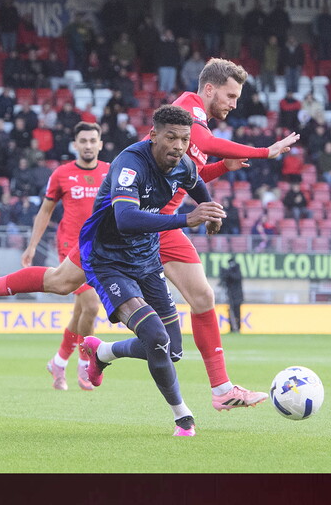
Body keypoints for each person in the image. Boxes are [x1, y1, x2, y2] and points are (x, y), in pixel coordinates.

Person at [0, 58, 300, 413]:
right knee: (60, 282)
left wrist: (218, 175)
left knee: (203, 298)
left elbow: (189, 176)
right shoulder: (186, 112)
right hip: (135, 223)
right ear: (209, 89)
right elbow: (206, 143)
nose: (234, 104)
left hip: (161, 227)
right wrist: (263, 151)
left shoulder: (197, 127)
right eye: (231, 95)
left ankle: (219, 388)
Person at [75, 104, 227, 436]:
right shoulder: (130, 164)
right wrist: (188, 218)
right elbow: (125, 220)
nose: (178, 146)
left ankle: (102, 352)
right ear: (154, 135)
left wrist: (210, 210)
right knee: (155, 337)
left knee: (171, 350)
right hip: (107, 259)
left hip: (146, 258)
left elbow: (196, 183)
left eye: (184, 139)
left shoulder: (182, 163)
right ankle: (183, 417)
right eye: (171, 137)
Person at [17, 122, 111, 391]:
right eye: (83, 140)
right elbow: (45, 211)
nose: (88, 145)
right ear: (75, 144)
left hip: (101, 248)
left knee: (82, 309)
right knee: (91, 305)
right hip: (71, 246)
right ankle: (85, 364)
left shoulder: (110, 171)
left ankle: (58, 362)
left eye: (93, 140)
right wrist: (32, 245)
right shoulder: (61, 174)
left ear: (101, 144)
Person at [219, 257, 244, 333]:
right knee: (231, 312)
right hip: (230, 296)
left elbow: (236, 277)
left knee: (236, 312)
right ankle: (232, 328)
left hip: (237, 297)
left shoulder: (237, 272)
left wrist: (227, 273)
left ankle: (237, 328)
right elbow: (223, 281)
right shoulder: (231, 273)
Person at [156, 28, 180, 95]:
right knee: (163, 85)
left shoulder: (174, 44)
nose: (169, 35)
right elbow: (157, 55)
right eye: (167, 33)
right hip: (163, 66)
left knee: (171, 86)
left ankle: (170, 102)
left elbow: (177, 55)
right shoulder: (160, 44)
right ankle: (162, 101)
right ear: (165, 34)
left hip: (172, 67)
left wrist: (175, 64)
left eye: (170, 33)